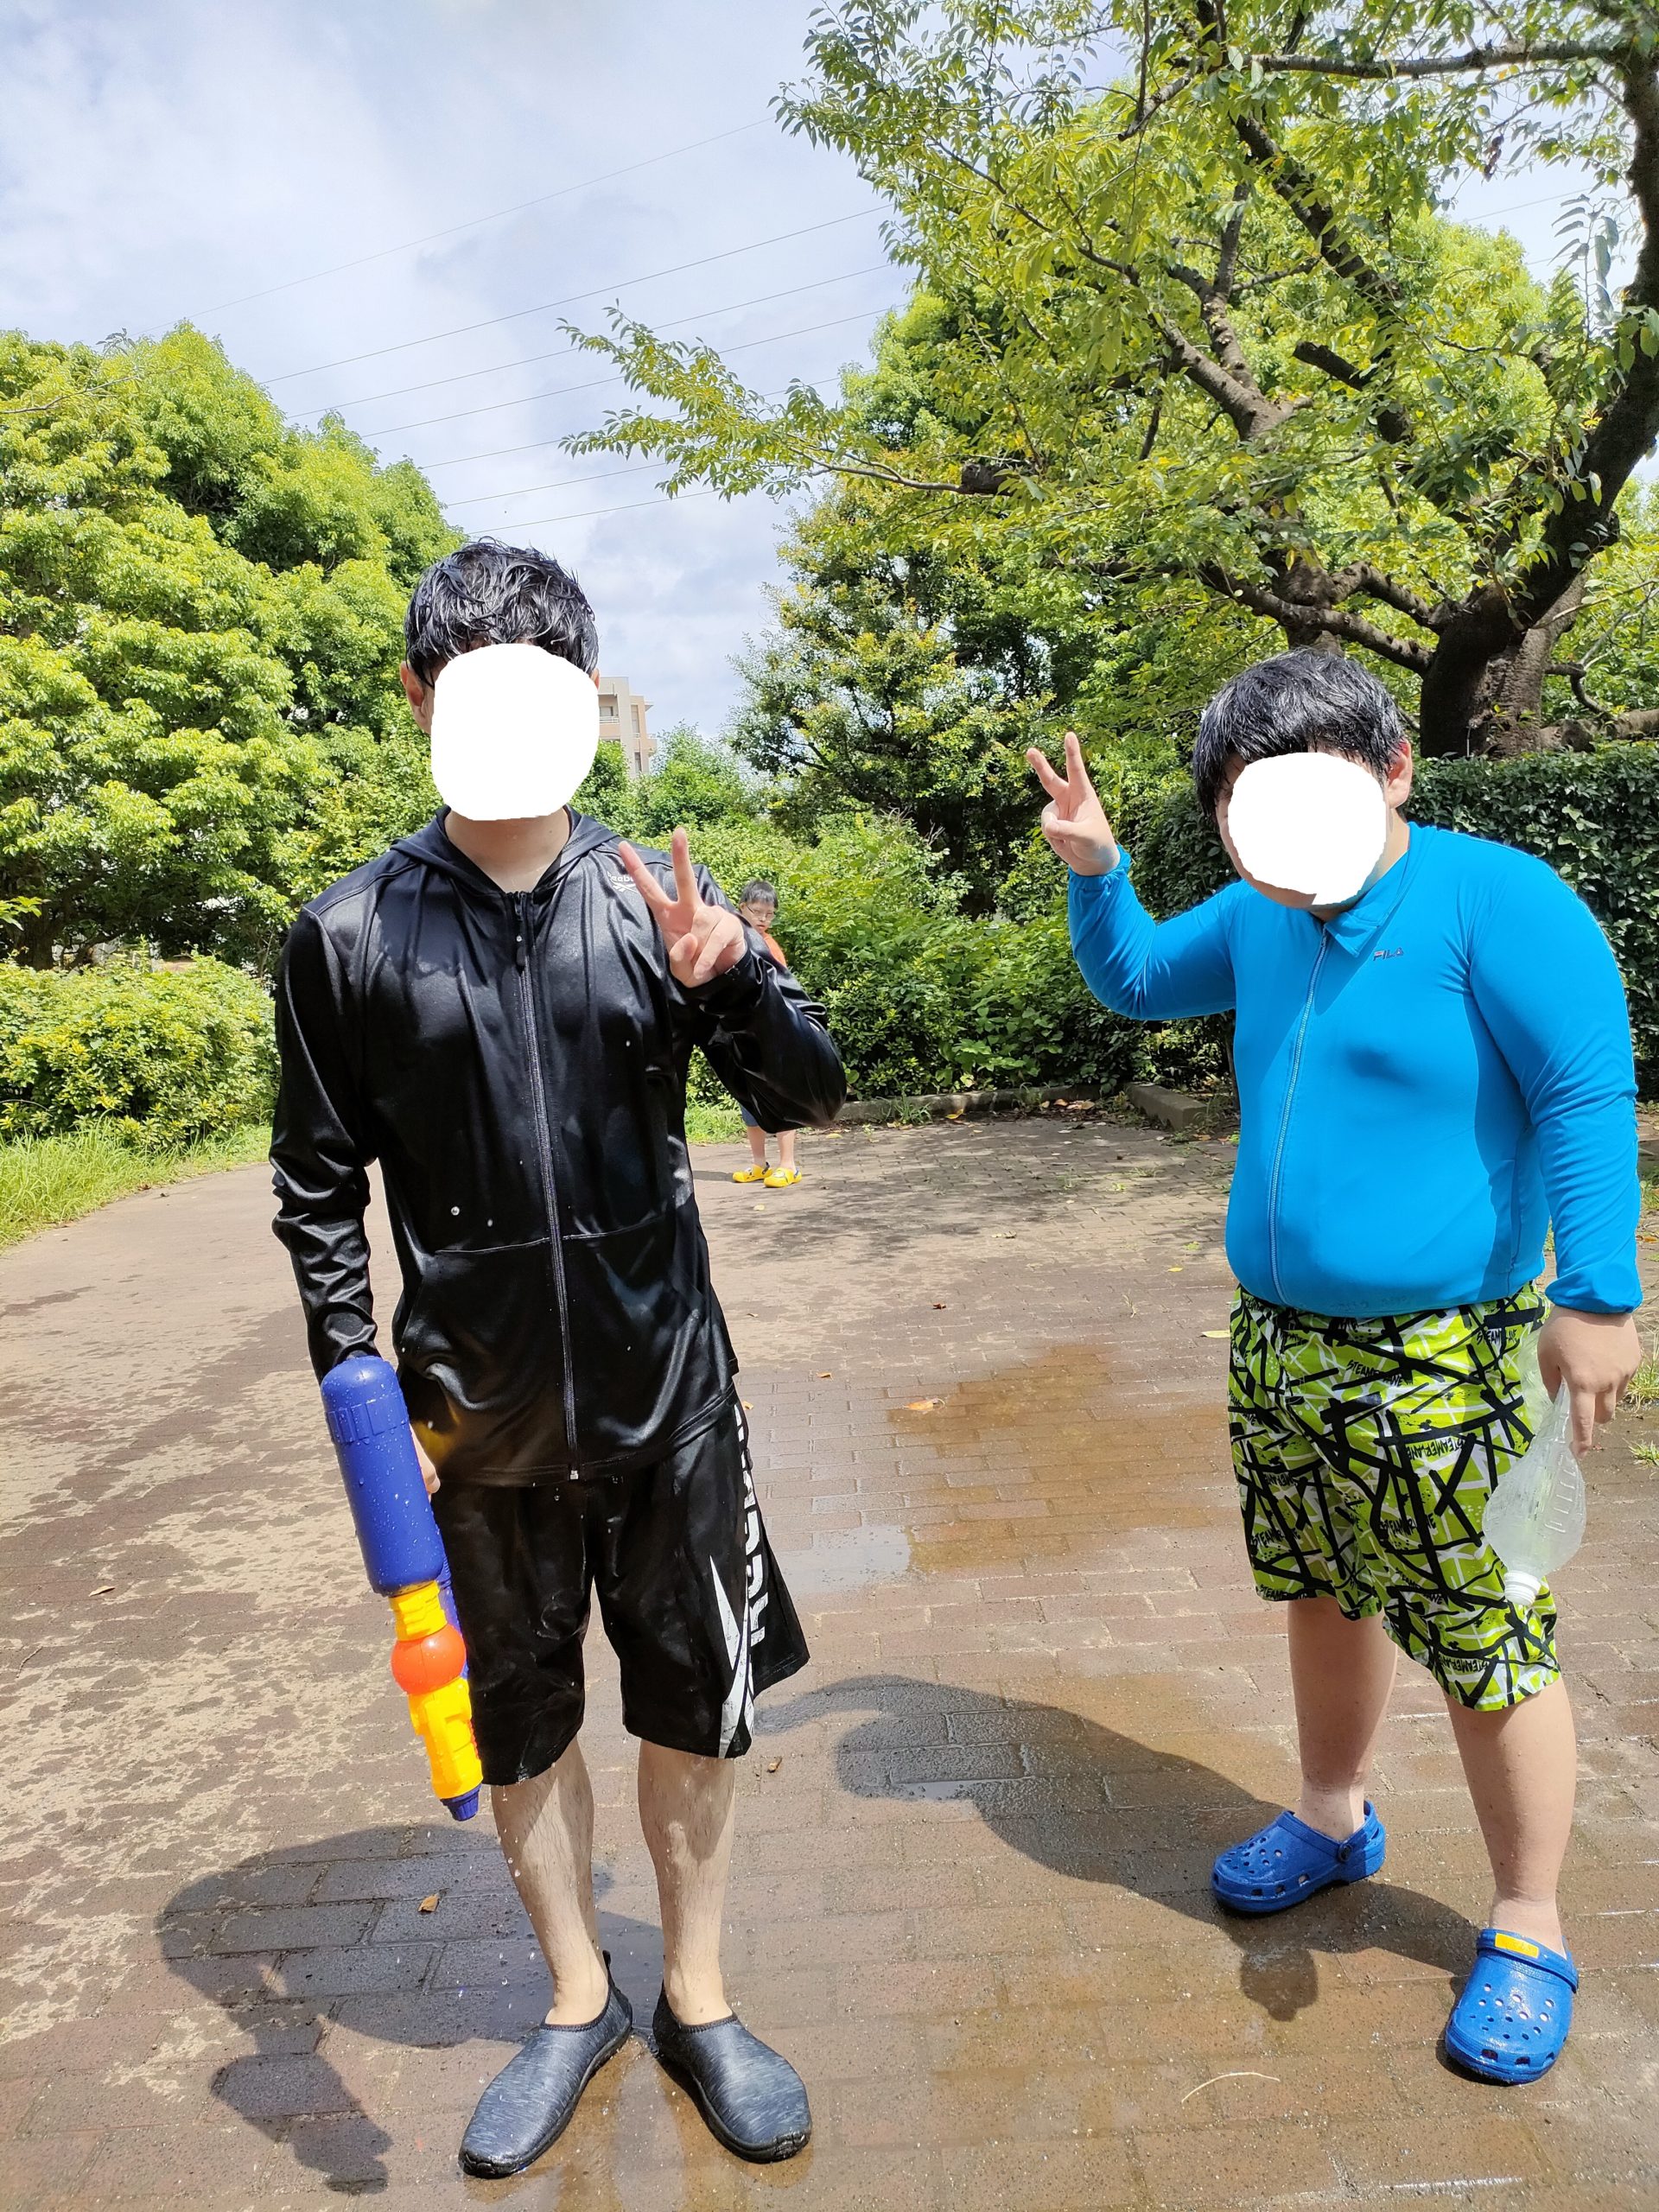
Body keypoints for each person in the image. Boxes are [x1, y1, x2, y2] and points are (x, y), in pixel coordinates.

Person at [271, 539, 844, 2175]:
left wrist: (733, 989)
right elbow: (316, 1188)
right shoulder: (347, 936)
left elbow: (809, 1097)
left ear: (585, 702)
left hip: (675, 1406)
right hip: (475, 1431)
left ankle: (701, 1999)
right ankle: (579, 1997)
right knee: (520, 1722)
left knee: (695, 1707)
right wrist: (364, 1401)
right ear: (419, 701)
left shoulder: (657, 903)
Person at [1030, 651, 1642, 2085]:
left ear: (1393, 772)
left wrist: (1600, 1295)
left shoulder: (1499, 903)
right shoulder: (1259, 915)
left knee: (1488, 1636)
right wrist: (1098, 871)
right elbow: (1135, 980)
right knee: (1319, 1587)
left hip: (1449, 1354)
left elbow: (1585, 1090)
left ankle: (1531, 1923)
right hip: (1282, 1347)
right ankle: (1330, 1812)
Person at [729, 880, 802, 1189]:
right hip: (741, 1034)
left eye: (769, 914)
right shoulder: (732, 939)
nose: (763, 919)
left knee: (781, 1098)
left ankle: (789, 1165)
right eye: (757, 911)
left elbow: (782, 992)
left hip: (773, 1034)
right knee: (749, 1100)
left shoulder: (770, 947)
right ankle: (760, 1164)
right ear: (741, 908)